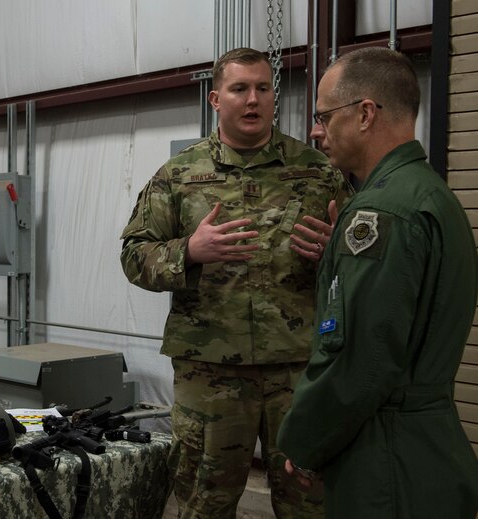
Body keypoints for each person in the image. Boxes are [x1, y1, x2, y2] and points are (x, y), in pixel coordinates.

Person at [119, 47, 352, 519]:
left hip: (299, 369)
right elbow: (132, 255)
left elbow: (364, 261)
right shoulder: (179, 176)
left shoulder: (317, 172)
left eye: (263, 88)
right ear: (215, 99)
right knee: (203, 501)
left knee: (311, 500)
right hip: (210, 375)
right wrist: (189, 251)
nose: (253, 100)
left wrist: (335, 256)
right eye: (239, 89)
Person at [277, 47, 478, 518]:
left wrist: (305, 442)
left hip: (385, 462)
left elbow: (359, 361)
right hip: (427, 450)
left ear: (365, 114)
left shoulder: (382, 213)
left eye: (325, 116)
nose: (315, 131)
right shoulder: (432, 195)